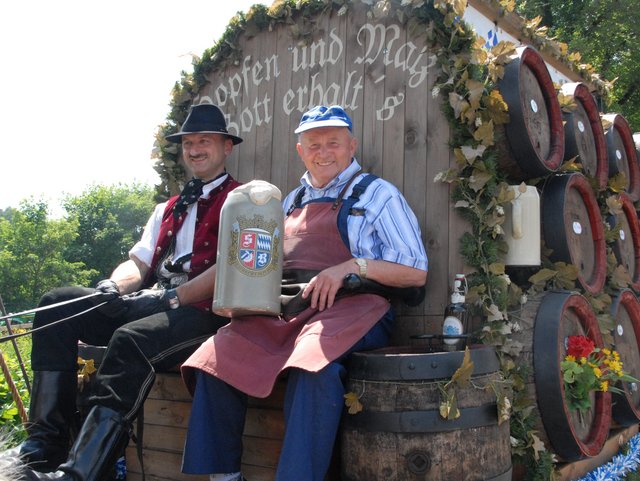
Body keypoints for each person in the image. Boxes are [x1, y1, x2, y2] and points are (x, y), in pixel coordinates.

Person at [180, 105, 428, 481]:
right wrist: (240, 295)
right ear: (300, 150)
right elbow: (259, 261)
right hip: (291, 309)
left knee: (314, 369)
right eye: (313, 144)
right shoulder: (289, 201)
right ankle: (225, 477)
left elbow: (416, 272)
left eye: (333, 142)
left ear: (352, 146)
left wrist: (351, 267)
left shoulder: (377, 194)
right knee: (216, 356)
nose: (323, 151)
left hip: (355, 307)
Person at [15, 103, 242, 481]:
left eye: (205, 141)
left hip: (205, 312)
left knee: (131, 338)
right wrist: (114, 287)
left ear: (226, 147)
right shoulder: (168, 206)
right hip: (155, 302)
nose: (195, 148)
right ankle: (43, 447)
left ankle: (81, 472)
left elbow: (234, 266)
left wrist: (170, 298)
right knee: (57, 304)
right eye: (189, 142)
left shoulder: (244, 200)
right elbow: (137, 263)